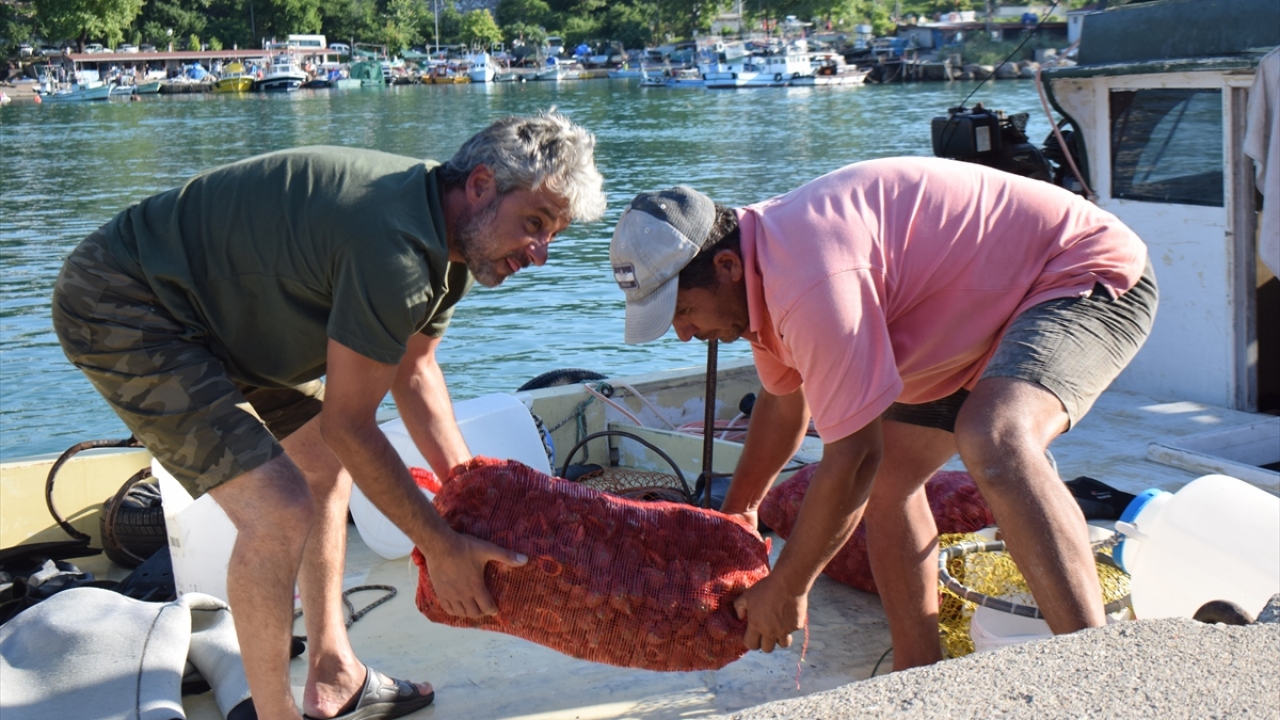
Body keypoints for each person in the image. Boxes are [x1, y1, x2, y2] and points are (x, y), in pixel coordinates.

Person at [52, 110, 606, 720]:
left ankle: (335, 672)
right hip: (125, 302)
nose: (541, 253)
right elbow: (351, 424)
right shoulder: (394, 248)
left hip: (222, 321)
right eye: (534, 224)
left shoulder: (446, 245)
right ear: (479, 185)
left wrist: (473, 496)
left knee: (325, 469)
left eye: (553, 233)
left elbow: (415, 372)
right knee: (281, 509)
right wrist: (441, 544)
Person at [608, 156, 1156, 671]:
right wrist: (738, 516)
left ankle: (1095, 669)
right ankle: (917, 674)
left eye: (682, 311)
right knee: (892, 483)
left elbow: (853, 458)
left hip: (1081, 267)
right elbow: (782, 404)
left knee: (995, 436)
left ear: (726, 266)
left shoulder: (808, 278)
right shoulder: (756, 280)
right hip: (970, 317)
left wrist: (791, 585)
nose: (681, 333)